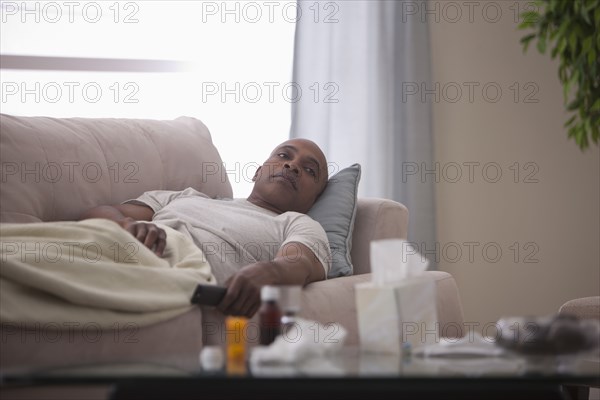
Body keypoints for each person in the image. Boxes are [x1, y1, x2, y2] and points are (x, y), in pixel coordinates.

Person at [80, 138, 331, 318]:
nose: (292, 165)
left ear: (314, 200)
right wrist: (128, 226)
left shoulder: (298, 223)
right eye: (284, 156)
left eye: (309, 170)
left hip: (170, 274)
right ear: (257, 172)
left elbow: (300, 264)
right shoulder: (185, 197)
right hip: (113, 249)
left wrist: (270, 273)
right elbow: (98, 213)